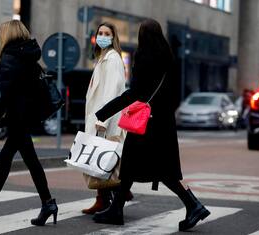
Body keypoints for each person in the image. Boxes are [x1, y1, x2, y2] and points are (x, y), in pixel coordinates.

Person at [93, 19, 210, 231]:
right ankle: (117, 209)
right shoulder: (169, 58)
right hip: (164, 123)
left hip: (146, 125)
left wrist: (104, 112)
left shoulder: (144, 57)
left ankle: (193, 205)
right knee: (152, 169)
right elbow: (175, 95)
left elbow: (134, 93)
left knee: (142, 167)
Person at [0, 20, 58, 226]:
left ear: (7, 35)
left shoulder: (10, 57)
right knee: (17, 158)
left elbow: (8, 93)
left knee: (19, 160)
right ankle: (44, 203)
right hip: (26, 117)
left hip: (17, 118)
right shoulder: (29, 55)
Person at [81, 22, 133, 215]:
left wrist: (103, 120)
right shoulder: (102, 58)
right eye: (100, 33)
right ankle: (104, 198)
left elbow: (112, 92)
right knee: (97, 160)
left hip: (105, 120)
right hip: (98, 116)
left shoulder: (112, 60)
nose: (102, 36)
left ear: (113, 38)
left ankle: (117, 192)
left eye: (107, 33)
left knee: (103, 159)